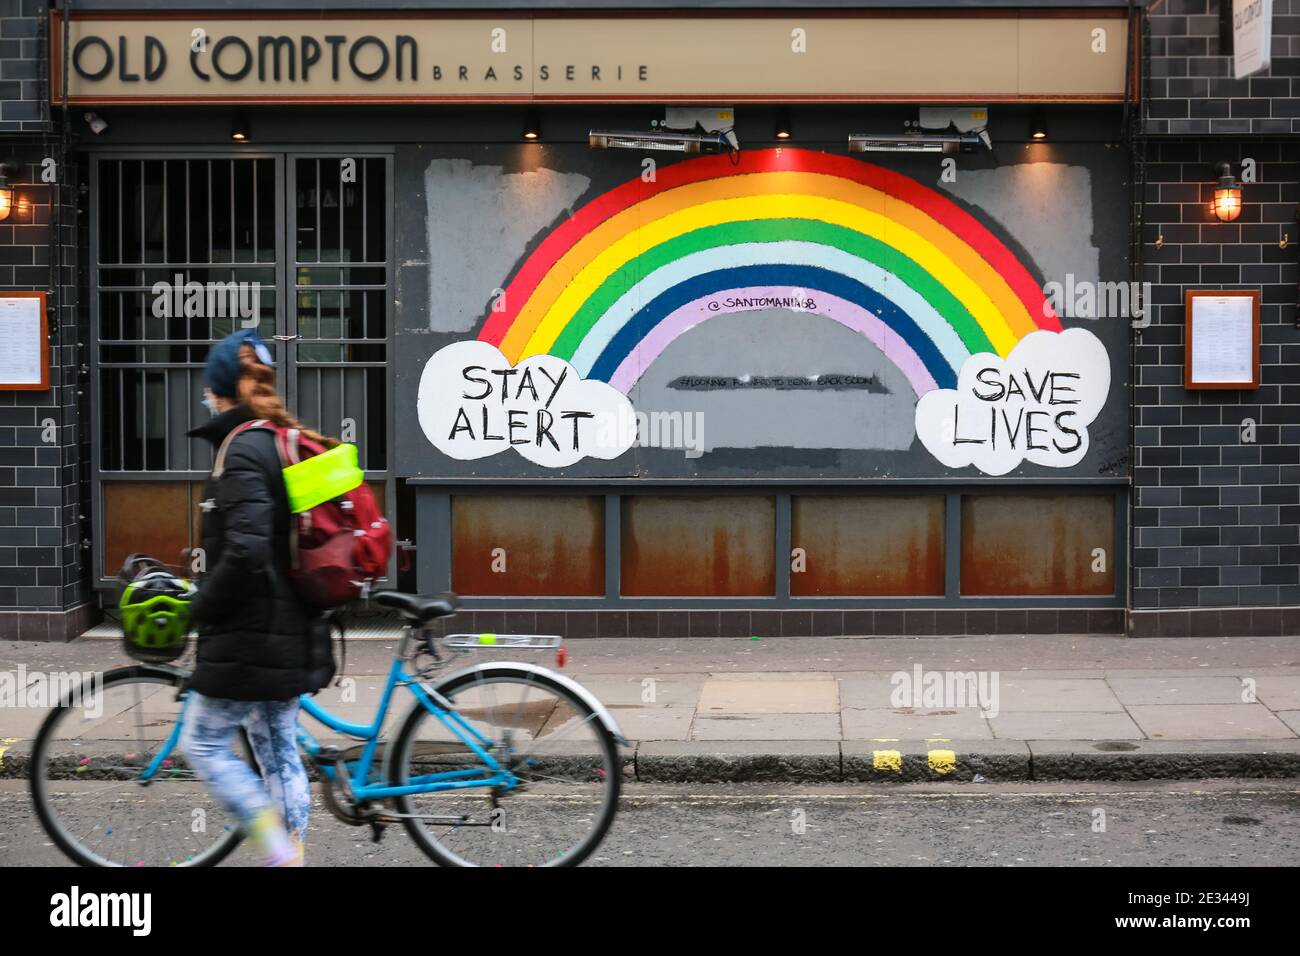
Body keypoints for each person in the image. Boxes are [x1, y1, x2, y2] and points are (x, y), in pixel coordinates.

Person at [179, 328, 337, 867]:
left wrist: (198, 609)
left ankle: (278, 851)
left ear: (219, 390)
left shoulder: (243, 449)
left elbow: (246, 550)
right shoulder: (273, 437)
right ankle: (288, 852)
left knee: (202, 745)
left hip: (253, 637)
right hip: (286, 628)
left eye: (207, 389)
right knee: (278, 752)